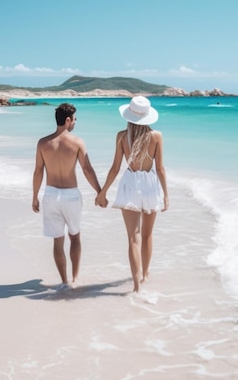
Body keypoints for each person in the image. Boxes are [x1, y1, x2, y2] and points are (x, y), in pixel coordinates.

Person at [96, 96, 168, 293]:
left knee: (133, 237)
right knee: (147, 234)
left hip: (130, 184)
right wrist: (166, 195)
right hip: (150, 184)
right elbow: (160, 168)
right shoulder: (156, 136)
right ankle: (144, 275)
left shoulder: (121, 136)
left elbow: (115, 168)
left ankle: (136, 287)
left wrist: (102, 192)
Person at [32, 102, 102, 287]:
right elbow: (87, 169)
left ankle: (63, 281)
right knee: (75, 237)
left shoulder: (43, 143)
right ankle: (75, 279)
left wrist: (34, 197)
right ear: (68, 120)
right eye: (75, 119)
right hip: (71, 196)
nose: (76, 122)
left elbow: (38, 171)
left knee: (58, 241)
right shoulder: (77, 142)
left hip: (51, 195)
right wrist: (99, 192)